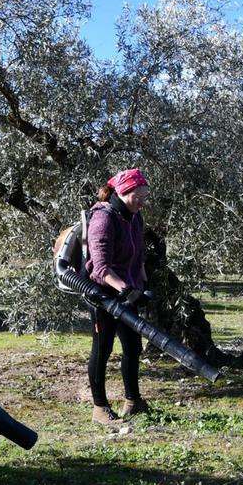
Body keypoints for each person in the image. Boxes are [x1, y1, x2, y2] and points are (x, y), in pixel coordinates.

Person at [85, 168, 153, 425]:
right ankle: (100, 408)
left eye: (145, 197)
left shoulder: (135, 216)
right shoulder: (103, 219)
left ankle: (133, 402)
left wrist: (141, 285)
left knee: (133, 347)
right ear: (124, 192)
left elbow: (138, 256)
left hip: (128, 292)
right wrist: (126, 289)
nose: (142, 202)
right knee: (102, 349)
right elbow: (100, 269)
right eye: (139, 197)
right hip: (102, 294)